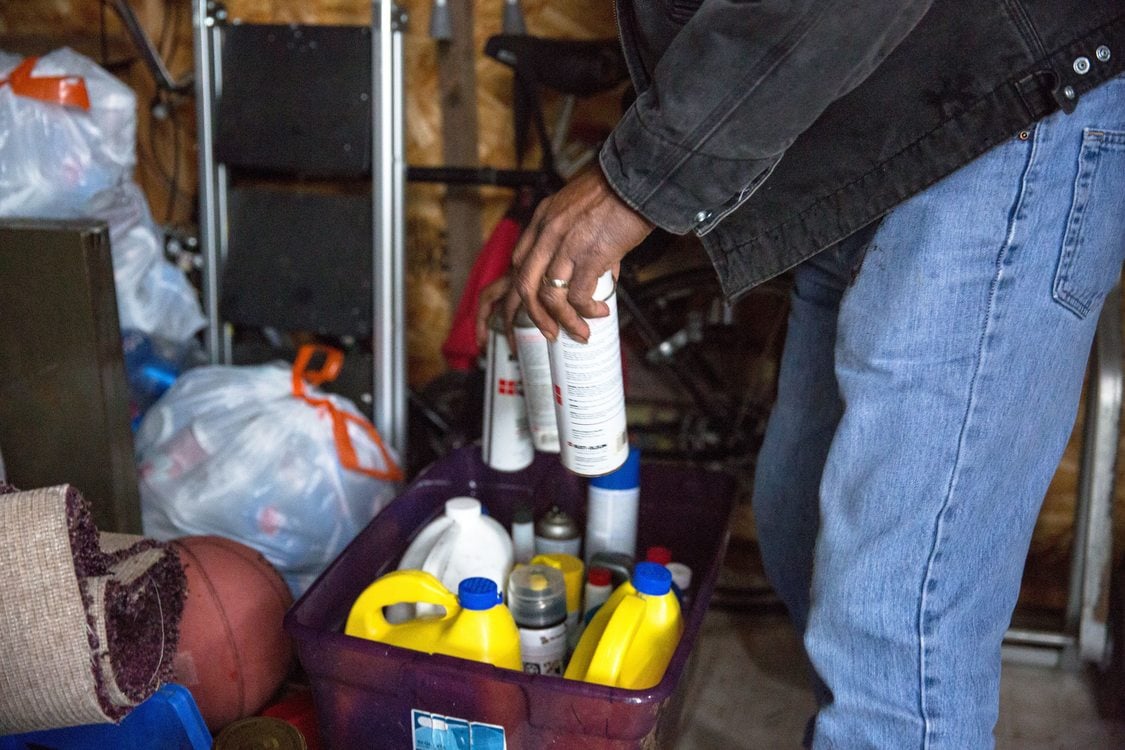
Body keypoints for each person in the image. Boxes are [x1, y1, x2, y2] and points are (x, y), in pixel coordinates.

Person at [477, 1, 1125, 747]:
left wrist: (636, 187)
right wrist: (603, 235)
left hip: (1002, 110)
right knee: (800, 525)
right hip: (875, 131)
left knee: (893, 621)